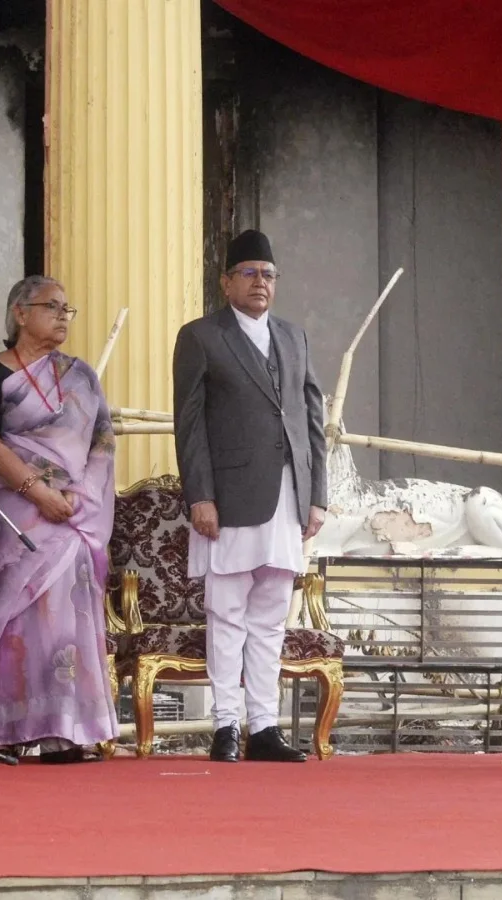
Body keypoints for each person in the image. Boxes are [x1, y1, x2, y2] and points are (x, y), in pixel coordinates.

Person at [173, 229, 328, 764]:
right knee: (227, 611)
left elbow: (312, 420)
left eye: (268, 274)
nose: (260, 282)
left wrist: (317, 495)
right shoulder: (201, 337)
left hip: (287, 494)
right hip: (229, 495)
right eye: (249, 273)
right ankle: (225, 725)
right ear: (226, 282)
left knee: (271, 615)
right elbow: (189, 425)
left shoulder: (293, 336)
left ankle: (263, 726)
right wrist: (200, 495)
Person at [0, 275, 119, 763]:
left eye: (68, 308)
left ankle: (66, 731)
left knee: (65, 619)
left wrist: (76, 498)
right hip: (10, 514)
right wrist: (37, 492)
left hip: (72, 513)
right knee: (17, 620)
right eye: (52, 306)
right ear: (20, 313)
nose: (63, 316)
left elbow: (102, 443)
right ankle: (11, 730)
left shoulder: (81, 377)